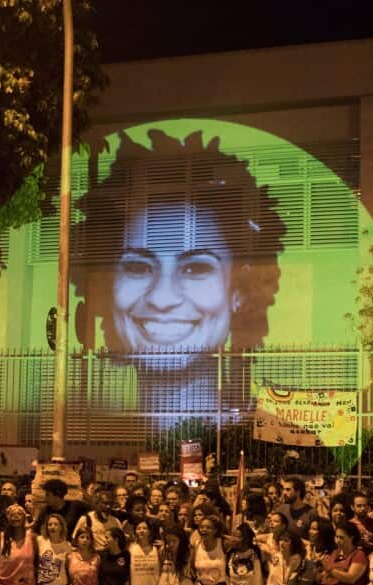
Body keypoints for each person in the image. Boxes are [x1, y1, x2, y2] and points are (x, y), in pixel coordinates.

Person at [73, 129, 285, 414]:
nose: (162, 298)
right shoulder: (93, 427)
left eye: (195, 267)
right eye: (137, 267)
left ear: (237, 290)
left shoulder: (246, 440)